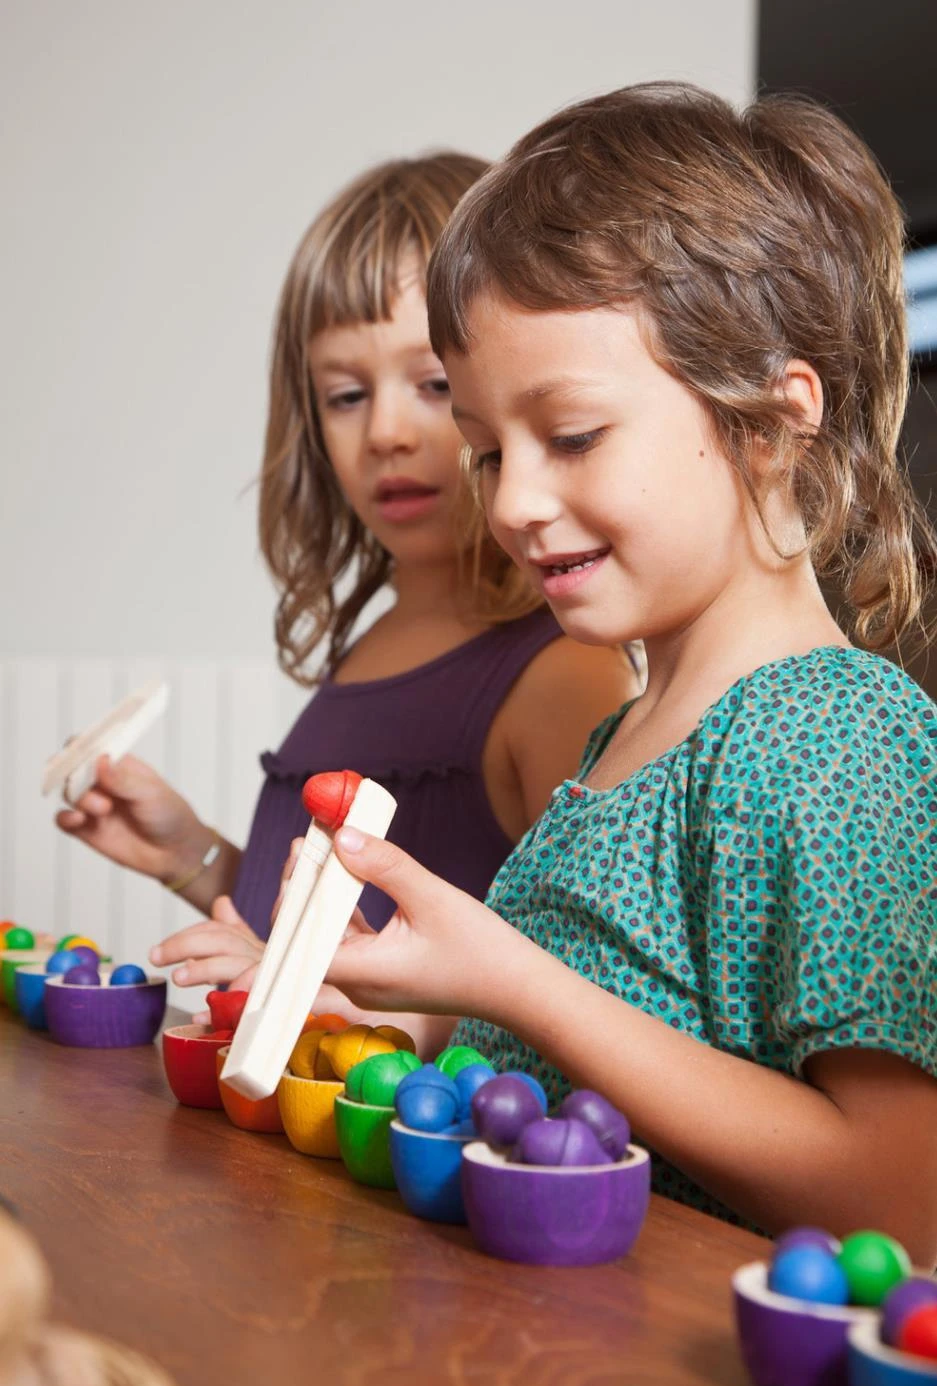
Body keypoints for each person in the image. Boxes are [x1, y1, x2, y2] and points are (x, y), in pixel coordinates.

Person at [309, 86, 937, 1258]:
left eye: (573, 435)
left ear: (767, 422)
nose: (511, 504)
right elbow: (577, 1063)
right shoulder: (635, 732)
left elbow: (901, 1198)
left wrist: (514, 982)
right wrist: (392, 999)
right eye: (489, 452)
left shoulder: (834, 736)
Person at [57, 154, 638, 1019]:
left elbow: (583, 1013)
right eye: (344, 394)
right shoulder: (374, 641)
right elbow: (313, 932)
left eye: (435, 386)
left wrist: (322, 997)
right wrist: (193, 855)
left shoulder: (561, 674)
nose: (387, 433)